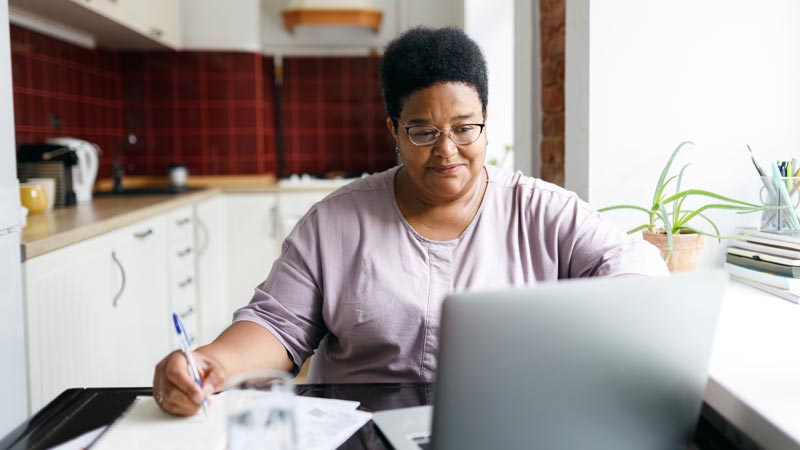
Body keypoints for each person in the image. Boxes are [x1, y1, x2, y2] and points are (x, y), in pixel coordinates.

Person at [152, 27, 668, 416]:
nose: (448, 151)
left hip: (500, 424)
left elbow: (631, 263)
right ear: (394, 132)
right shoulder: (335, 221)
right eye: (423, 132)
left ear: (486, 123)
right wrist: (212, 363)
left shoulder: (539, 208)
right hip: (361, 429)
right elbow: (276, 326)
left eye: (465, 128)